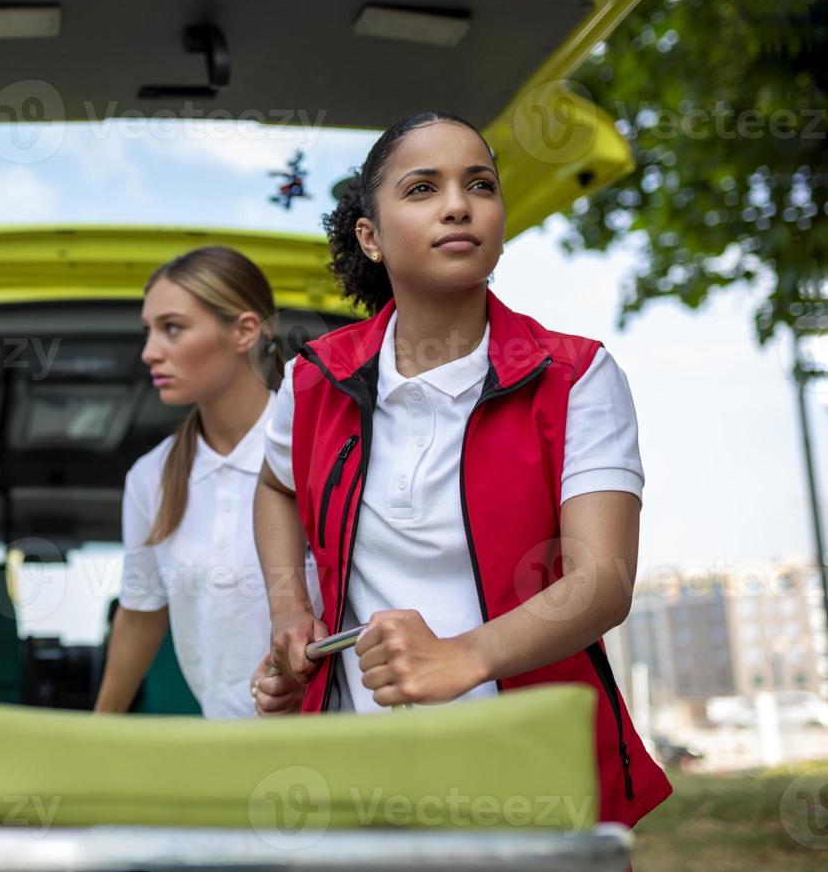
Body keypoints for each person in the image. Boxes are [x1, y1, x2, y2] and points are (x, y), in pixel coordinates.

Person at [250, 111, 671, 828]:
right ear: (370, 237)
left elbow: (600, 582)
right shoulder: (316, 377)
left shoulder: (577, 375)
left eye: (480, 184)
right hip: (351, 781)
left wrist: (463, 657)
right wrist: (291, 611)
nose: (458, 203)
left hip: (530, 774)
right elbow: (274, 487)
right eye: (423, 188)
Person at [94, 247, 319, 719]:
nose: (149, 351)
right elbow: (140, 615)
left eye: (172, 328)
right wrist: (99, 730)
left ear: (244, 331)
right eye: (149, 331)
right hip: (225, 746)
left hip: (334, 740)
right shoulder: (150, 478)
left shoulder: (317, 448)